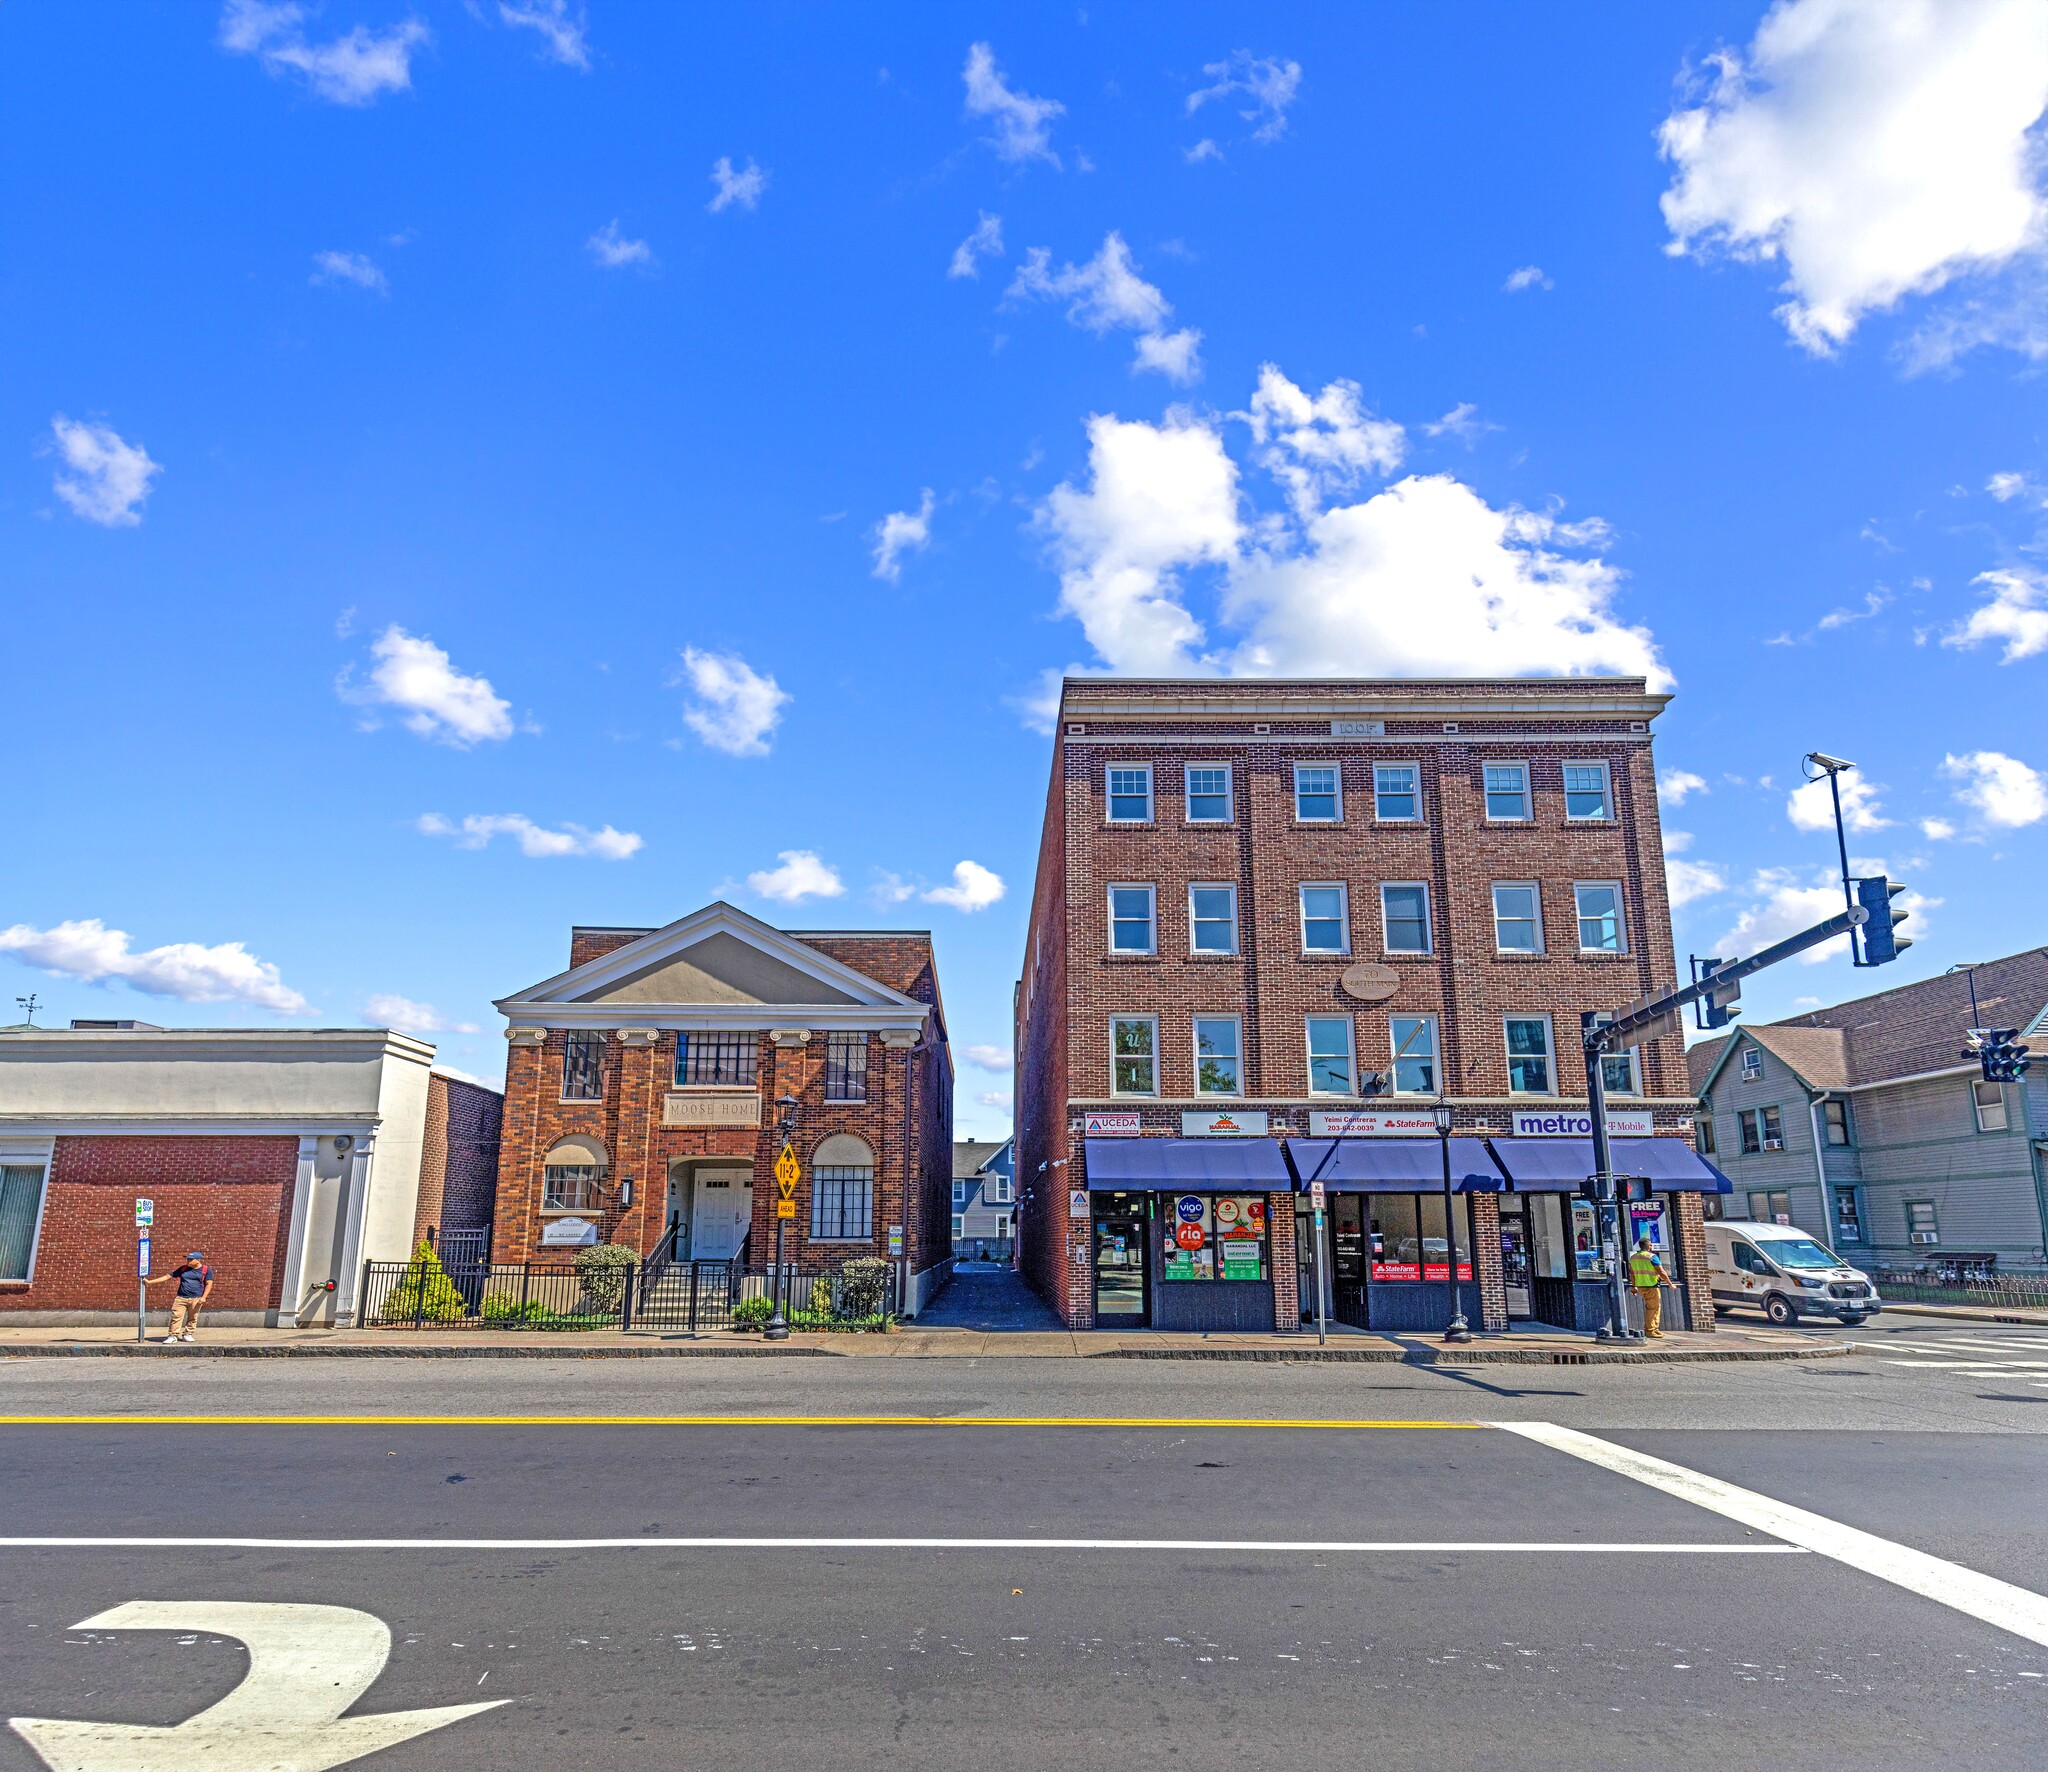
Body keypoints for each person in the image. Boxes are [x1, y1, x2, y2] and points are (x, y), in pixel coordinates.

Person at [145, 1249, 214, 1343]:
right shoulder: (183, 1268)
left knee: (193, 1317)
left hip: (196, 1298)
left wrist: (203, 1297)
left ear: (198, 1260)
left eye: (191, 1259)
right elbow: (167, 1277)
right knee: (176, 1316)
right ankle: (173, 1336)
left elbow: (209, 1284)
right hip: (181, 1297)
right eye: (188, 1259)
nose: (188, 1261)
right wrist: (150, 1282)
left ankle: (188, 1334)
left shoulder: (206, 1270)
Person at [1627, 1234, 1675, 1338]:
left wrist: (1634, 1286)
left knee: (1652, 1307)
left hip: (1641, 1286)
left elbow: (1632, 1274)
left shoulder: (1633, 1258)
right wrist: (1670, 1284)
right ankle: (1650, 1330)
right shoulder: (1652, 1257)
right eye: (1651, 1246)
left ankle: (1654, 1329)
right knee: (1653, 1308)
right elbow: (1661, 1272)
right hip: (1651, 1285)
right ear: (1649, 1246)